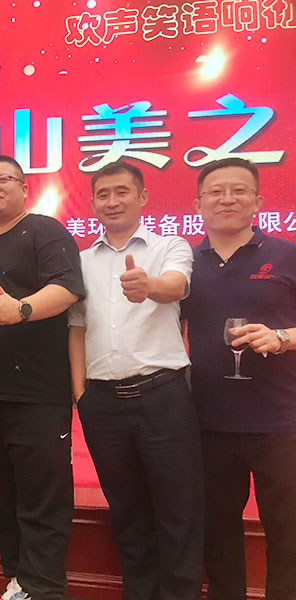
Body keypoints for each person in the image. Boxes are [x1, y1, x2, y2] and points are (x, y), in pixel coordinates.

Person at [68, 161, 203, 599]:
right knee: (126, 511)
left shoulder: (170, 245)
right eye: (103, 194)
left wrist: (149, 287)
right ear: (92, 203)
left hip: (162, 396)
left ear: (143, 197)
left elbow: (176, 286)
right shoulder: (81, 261)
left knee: (178, 510)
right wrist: (81, 395)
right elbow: (77, 328)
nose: (112, 201)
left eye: (122, 191)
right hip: (102, 403)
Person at [0, 155, 84, 600]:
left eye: (4, 179)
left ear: (24, 188)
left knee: (42, 495)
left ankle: (44, 587)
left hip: (35, 393)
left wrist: (22, 309)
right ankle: (18, 578)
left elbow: (67, 288)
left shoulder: (46, 231)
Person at [182, 157, 296, 600]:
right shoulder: (185, 264)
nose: (227, 199)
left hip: (280, 421)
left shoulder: (287, 255)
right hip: (207, 421)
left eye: (239, 190)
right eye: (216, 191)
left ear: (258, 200)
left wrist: (282, 338)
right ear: (198, 203)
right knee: (217, 530)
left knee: (286, 531)